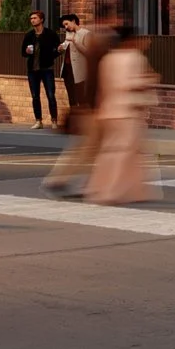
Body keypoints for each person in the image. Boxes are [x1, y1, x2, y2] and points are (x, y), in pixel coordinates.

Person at [84, 25, 159, 206]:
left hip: (109, 109)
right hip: (128, 110)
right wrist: (150, 79)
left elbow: (103, 87)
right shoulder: (134, 57)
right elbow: (130, 83)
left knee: (113, 151)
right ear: (131, 40)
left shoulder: (108, 59)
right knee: (125, 152)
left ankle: (109, 188)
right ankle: (113, 191)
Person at [42, 15, 109, 199]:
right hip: (90, 101)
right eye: (63, 26)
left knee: (89, 146)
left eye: (66, 24)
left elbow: (88, 57)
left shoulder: (88, 36)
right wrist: (63, 47)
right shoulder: (76, 37)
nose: (66, 28)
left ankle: (68, 181)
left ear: (74, 22)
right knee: (88, 146)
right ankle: (62, 181)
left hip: (88, 90)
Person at [19, 11, 62, 129]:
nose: (32, 20)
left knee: (50, 94)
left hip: (47, 68)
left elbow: (57, 50)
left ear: (41, 19)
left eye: (35, 18)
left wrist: (55, 53)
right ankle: (38, 120)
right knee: (35, 95)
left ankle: (54, 120)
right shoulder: (29, 35)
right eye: (31, 18)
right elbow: (23, 52)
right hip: (33, 69)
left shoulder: (50, 34)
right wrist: (27, 52)